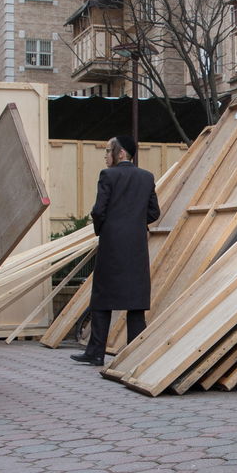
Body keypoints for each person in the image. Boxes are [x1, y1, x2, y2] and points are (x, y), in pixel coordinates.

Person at [72, 135, 159, 367]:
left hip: (112, 243)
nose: (105, 155)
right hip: (137, 245)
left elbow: (98, 210)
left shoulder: (108, 175)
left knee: (102, 297)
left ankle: (96, 353)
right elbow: (154, 212)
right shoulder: (146, 177)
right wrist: (135, 222)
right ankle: (134, 354)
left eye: (108, 150)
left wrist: (103, 230)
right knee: (136, 300)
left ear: (121, 153)